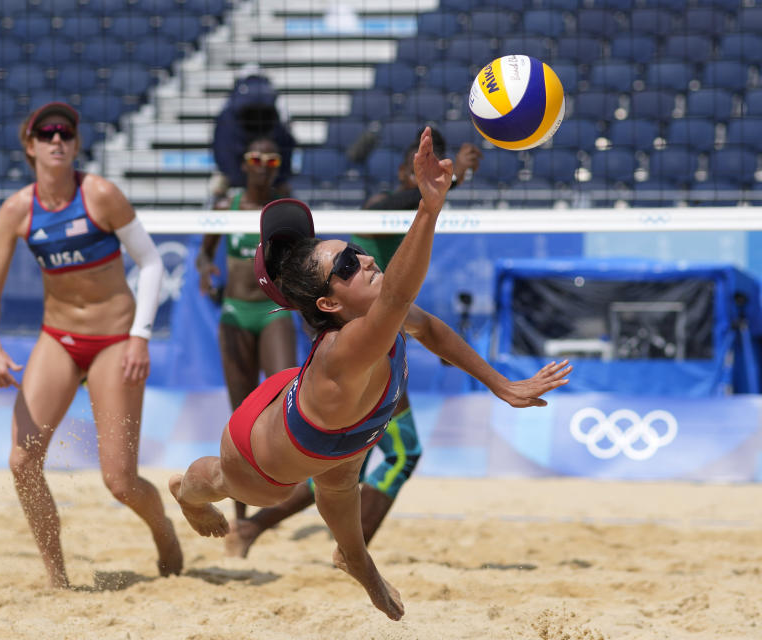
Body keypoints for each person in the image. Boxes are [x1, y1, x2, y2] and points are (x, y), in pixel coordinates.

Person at [169, 128, 571, 619]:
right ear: (329, 302)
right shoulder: (348, 346)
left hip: (339, 437)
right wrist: (428, 207)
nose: (363, 257)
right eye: (346, 263)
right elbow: (400, 295)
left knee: (343, 501)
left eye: (355, 249)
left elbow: (431, 329)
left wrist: (501, 384)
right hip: (263, 451)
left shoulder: (379, 321)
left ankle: (360, 565)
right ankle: (185, 497)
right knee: (223, 482)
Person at [224, 128, 483, 557]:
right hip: (362, 354)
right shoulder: (378, 208)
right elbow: (396, 283)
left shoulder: (394, 233)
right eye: (418, 168)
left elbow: (413, 312)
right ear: (406, 172)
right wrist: (442, 187)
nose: (362, 258)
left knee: (341, 463)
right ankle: (337, 550)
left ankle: (260, 528)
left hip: (377, 348)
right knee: (387, 456)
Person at [0, 102, 182, 588]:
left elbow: (151, 264)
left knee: (120, 482)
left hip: (115, 340)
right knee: (22, 461)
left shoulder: (100, 195)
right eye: (45, 133)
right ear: (29, 146)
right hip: (60, 339)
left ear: (76, 143)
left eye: (64, 132)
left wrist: (140, 338)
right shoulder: (17, 210)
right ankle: (58, 579)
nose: (56, 140)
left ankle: (164, 530)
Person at [196, 137, 299, 523]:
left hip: (273, 311)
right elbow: (204, 253)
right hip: (235, 312)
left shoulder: (283, 211)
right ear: (244, 163)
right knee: (240, 412)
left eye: (270, 158)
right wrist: (207, 270)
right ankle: (240, 511)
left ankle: (282, 492)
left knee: (284, 400)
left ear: (276, 166)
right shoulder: (228, 207)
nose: (261, 164)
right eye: (255, 157)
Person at [210, 71, 296, 202]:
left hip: (264, 170)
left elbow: (286, 144)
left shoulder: (276, 108)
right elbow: (222, 147)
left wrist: (280, 178)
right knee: (217, 191)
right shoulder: (229, 113)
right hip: (236, 169)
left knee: (285, 198)